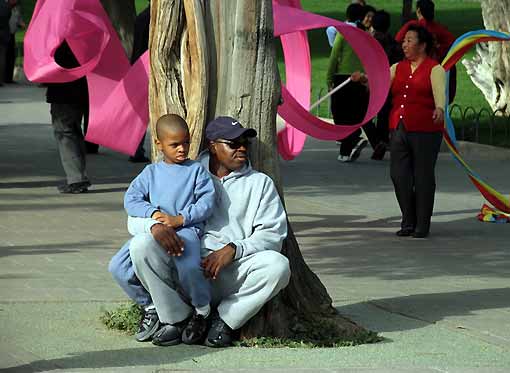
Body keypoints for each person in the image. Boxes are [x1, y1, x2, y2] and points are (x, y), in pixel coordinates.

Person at [109, 116, 290, 348]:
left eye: (246, 143)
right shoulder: (183, 171)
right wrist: (153, 226)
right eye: (233, 144)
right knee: (141, 245)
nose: (242, 148)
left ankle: (223, 320)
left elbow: (273, 234)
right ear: (213, 146)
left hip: (229, 272)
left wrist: (234, 249)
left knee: (278, 266)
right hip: (183, 266)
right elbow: (134, 216)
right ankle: (175, 318)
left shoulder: (260, 183)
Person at [124, 114, 216, 345]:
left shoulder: (196, 171)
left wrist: (181, 219)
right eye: (174, 144)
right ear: (159, 144)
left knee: (189, 268)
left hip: (187, 230)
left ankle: (202, 310)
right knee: (118, 268)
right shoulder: (150, 173)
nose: (182, 149)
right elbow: (131, 199)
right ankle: (151, 306)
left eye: (186, 142)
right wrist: (154, 215)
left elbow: (207, 203)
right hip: (155, 230)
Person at [354, 25, 446, 238]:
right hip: (399, 128)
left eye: (409, 41)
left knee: (423, 177)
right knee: (399, 175)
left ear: (422, 45)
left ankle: (421, 224)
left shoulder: (435, 69)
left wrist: (439, 108)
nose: (404, 45)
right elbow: (381, 83)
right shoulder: (397, 68)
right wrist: (364, 79)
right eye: (404, 41)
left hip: (426, 130)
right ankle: (408, 219)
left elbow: (439, 93)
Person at [326, 3, 378, 162]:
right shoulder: (367, 36)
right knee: (357, 113)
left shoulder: (344, 33)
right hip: (361, 78)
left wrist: (329, 78)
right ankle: (364, 144)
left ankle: (349, 145)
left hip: (344, 78)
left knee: (342, 115)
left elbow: (334, 56)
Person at [46, 41, 91, 193]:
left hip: (63, 92)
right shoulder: (85, 34)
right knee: (74, 133)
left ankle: (76, 179)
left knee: (65, 133)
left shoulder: (56, 39)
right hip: (84, 90)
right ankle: (79, 177)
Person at [395, 0, 456, 101]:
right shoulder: (439, 28)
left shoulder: (412, 26)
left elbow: (397, 41)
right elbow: (453, 44)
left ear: (418, 11)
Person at [368, 10, 403, 160]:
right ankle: (382, 139)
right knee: (384, 112)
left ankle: (377, 141)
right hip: (390, 80)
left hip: (374, 81)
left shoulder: (371, 41)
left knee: (364, 113)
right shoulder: (392, 42)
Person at [128, 3, 150, 163]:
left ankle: (135, 149)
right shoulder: (153, 18)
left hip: (139, 66)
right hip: (151, 65)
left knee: (140, 113)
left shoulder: (142, 17)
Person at [4, 0, 23, 84]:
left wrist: (21, 24)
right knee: (4, 56)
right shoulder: (4, 7)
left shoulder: (16, 8)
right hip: (4, 33)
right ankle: (3, 77)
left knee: (11, 56)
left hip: (12, 35)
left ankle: (9, 78)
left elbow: (18, 20)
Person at [0, 0, 12, 86]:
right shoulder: (7, 6)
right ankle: (1, 79)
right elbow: (8, 16)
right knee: (2, 57)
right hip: (3, 33)